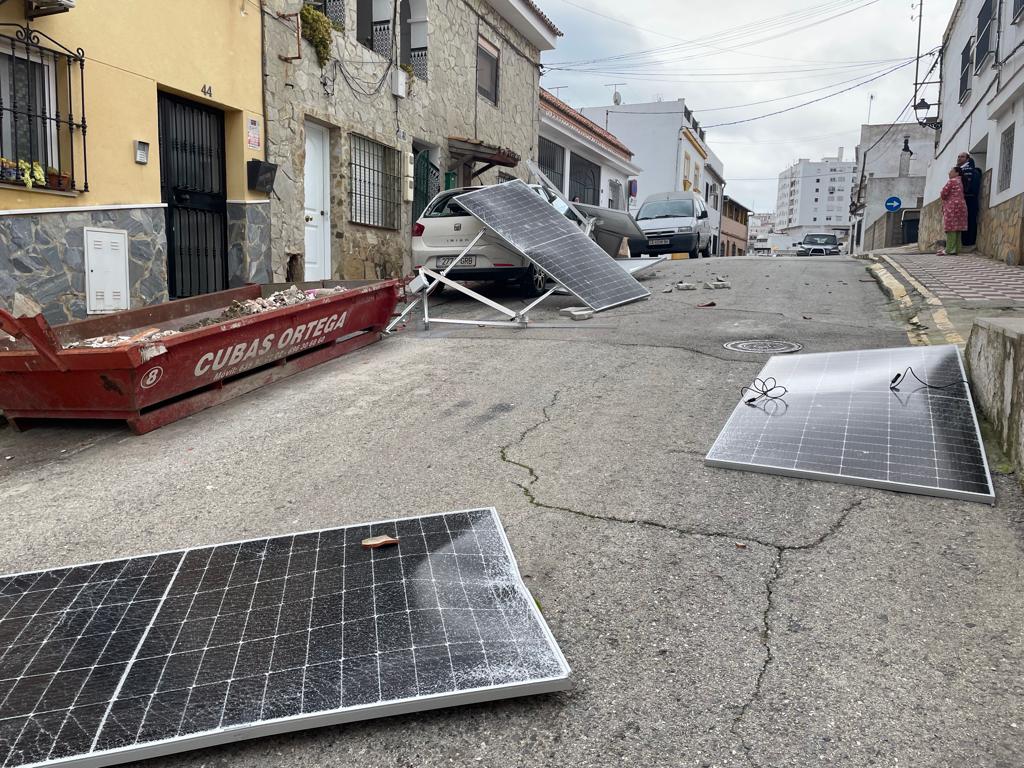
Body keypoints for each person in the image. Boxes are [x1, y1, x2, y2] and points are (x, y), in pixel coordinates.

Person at [938, 167, 968, 255]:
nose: (949, 173)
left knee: (951, 228)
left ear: (957, 173)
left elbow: (943, 193)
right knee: (958, 228)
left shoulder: (952, 181)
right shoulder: (961, 182)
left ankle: (950, 249)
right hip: (961, 206)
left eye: (951, 171)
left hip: (952, 206)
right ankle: (957, 248)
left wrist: (944, 199)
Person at [957, 151, 981, 247]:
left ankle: (968, 242)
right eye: (958, 156)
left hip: (969, 199)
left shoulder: (970, 171)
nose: (959, 158)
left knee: (969, 220)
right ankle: (965, 242)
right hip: (964, 199)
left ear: (967, 159)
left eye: (962, 157)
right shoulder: (960, 170)